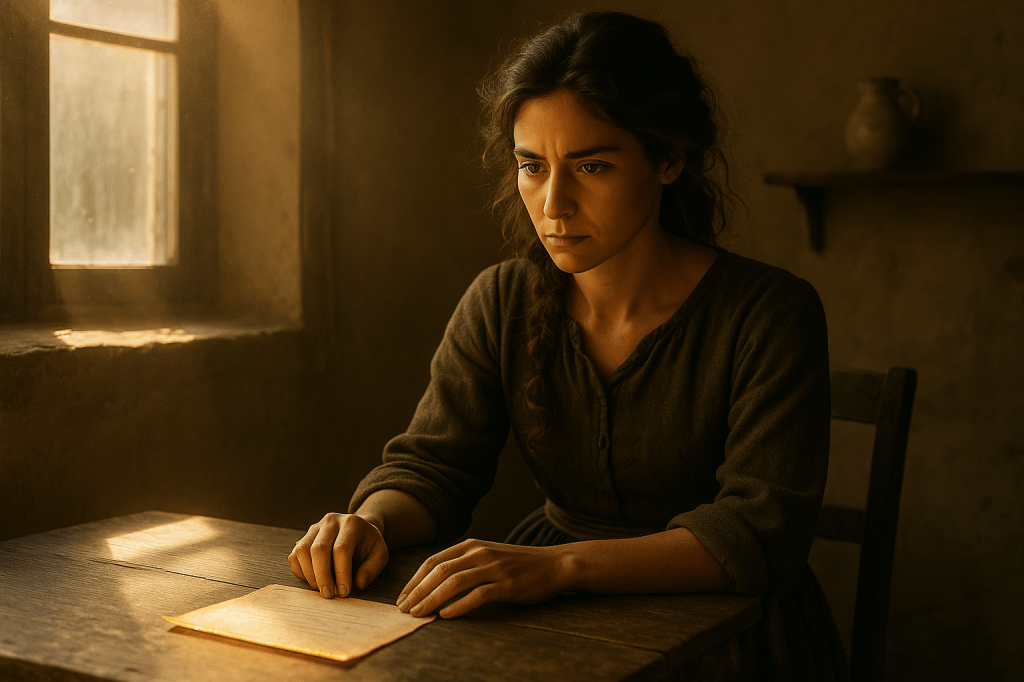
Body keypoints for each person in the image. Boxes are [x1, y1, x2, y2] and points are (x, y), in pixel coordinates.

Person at [289, 10, 847, 681]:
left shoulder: (769, 313)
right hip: (546, 612)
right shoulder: (502, 301)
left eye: (593, 166)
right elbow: (434, 468)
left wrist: (558, 566)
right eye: (532, 166)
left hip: (732, 634)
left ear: (669, 159)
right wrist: (371, 522)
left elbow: (760, 529)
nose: (553, 203)